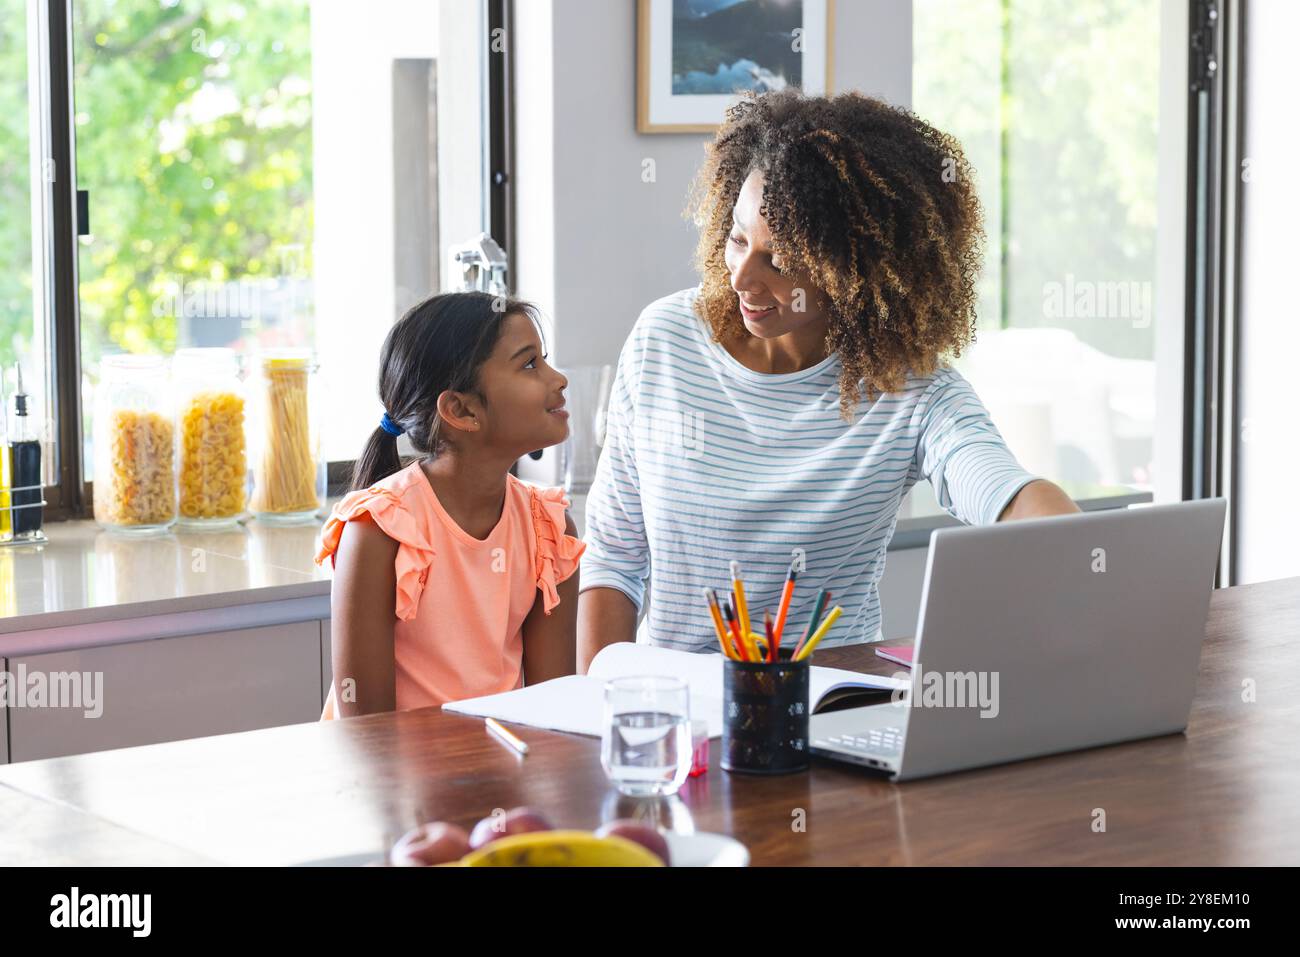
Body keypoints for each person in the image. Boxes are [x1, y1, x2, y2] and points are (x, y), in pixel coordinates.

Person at [578, 89, 1079, 671]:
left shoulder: (907, 387)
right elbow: (614, 557)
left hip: (835, 713)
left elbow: (1005, 493)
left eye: (782, 261)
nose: (742, 277)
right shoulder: (664, 340)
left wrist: (1081, 552)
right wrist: (600, 707)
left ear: (856, 269)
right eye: (739, 238)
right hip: (676, 720)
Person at [316, 292, 584, 717]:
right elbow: (366, 735)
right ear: (461, 409)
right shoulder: (378, 530)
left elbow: (554, 710)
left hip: (499, 770)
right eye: (529, 364)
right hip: (390, 779)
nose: (558, 379)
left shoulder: (549, 529)